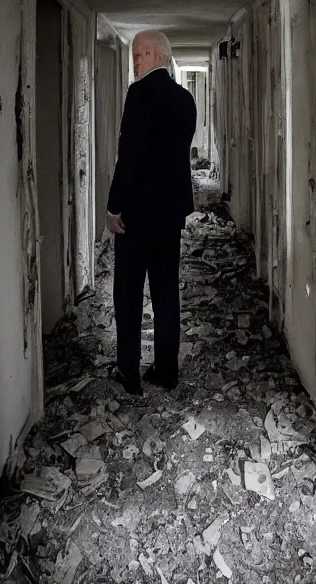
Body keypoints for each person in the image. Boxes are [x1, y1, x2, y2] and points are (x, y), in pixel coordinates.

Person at [105, 30, 197, 395]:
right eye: (134, 57)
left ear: (156, 55)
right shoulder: (186, 99)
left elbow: (129, 158)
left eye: (139, 56)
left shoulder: (139, 94)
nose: (135, 63)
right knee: (165, 294)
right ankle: (166, 370)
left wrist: (114, 208)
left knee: (128, 294)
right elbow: (173, 156)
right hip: (171, 214)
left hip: (136, 218)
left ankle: (129, 373)